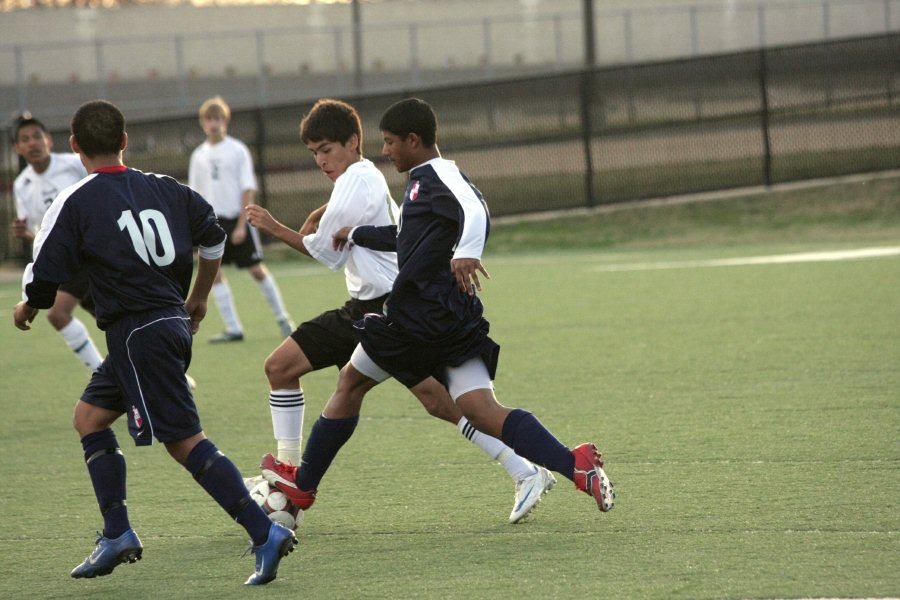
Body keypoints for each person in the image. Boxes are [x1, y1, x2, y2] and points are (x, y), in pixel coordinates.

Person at [260, 98, 615, 519]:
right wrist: (357, 233)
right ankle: (575, 466)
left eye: (391, 142)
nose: (386, 150)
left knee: (350, 384)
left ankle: (300, 491)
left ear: (414, 140)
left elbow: (475, 208)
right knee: (481, 409)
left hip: (414, 317)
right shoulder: (418, 183)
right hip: (451, 316)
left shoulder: (438, 174)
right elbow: (407, 235)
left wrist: (467, 251)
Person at [13, 100, 296, 585]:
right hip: (162, 326)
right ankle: (117, 532)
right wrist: (200, 297)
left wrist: (29, 305)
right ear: (124, 140)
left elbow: (44, 276)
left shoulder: (75, 201)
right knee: (89, 418)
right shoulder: (167, 188)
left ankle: (263, 532)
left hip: (138, 333)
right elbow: (214, 238)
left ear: (75, 146)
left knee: (184, 442)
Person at [188, 96, 294, 343]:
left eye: (218, 119)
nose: (214, 124)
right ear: (203, 123)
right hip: (212, 224)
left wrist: (241, 224)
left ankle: (283, 319)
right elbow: (195, 193)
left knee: (256, 270)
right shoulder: (199, 156)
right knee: (214, 275)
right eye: (209, 119)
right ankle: (233, 327)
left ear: (225, 121)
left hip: (237, 219)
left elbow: (247, 187)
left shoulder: (237, 150)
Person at [10, 113, 103, 372]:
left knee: (58, 313)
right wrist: (25, 233)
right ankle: (167, 374)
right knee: (115, 320)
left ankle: (103, 375)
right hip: (67, 261)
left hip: (92, 252)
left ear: (49, 140)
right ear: (18, 148)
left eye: (37, 136)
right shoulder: (22, 185)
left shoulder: (74, 164)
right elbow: (39, 234)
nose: (32, 143)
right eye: (25, 139)